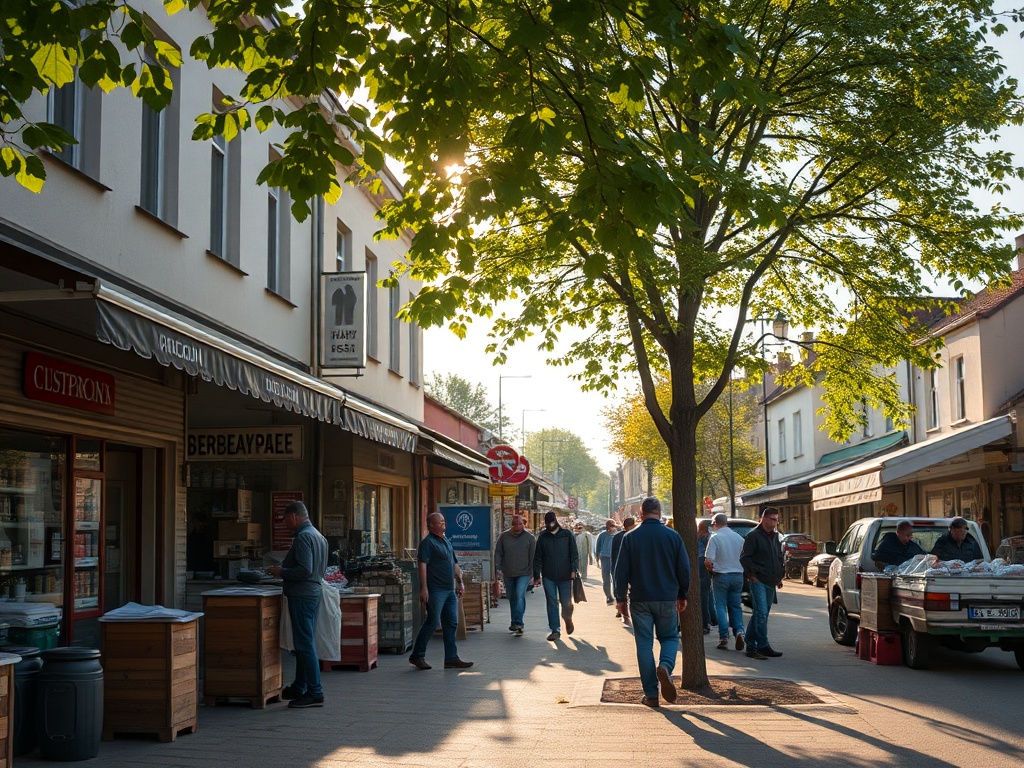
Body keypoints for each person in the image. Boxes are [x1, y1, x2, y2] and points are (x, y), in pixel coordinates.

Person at [613, 497, 689, 708]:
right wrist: (683, 594)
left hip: (640, 599)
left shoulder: (630, 537)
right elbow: (684, 568)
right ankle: (665, 666)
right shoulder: (673, 536)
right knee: (670, 637)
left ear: (641, 512)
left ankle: (651, 694)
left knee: (644, 645)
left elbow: (621, 571)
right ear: (659, 511)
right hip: (666, 597)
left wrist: (620, 599)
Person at [267, 500, 328, 709]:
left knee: (304, 643)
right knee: (304, 642)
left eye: (285, 519)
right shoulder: (318, 536)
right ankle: (300, 686)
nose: (284, 524)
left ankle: (315, 691)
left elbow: (304, 570)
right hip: (312, 592)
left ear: (293, 516)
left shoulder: (303, 537)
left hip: (302, 594)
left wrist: (281, 572)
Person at [409, 512, 473, 670]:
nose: (443, 523)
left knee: (451, 623)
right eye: (440, 522)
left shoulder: (446, 540)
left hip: (449, 589)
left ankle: (451, 658)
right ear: (431, 526)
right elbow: (422, 567)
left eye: (444, 521)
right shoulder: (428, 543)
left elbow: (454, 564)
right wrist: (424, 589)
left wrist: (460, 582)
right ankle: (417, 655)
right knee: (432, 622)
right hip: (435, 590)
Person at [739, 506, 785, 661]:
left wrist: (779, 576)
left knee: (761, 613)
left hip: (771, 581)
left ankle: (751, 644)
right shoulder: (753, 536)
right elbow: (744, 558)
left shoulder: (775, 537)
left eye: (776, 519)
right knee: (761, 613)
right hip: (758, 580)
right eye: (772, 519)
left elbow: (778, 557)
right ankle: (762, 645)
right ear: (764, 519)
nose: (774, 522)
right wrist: (752, 575)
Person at [533, 511, 579, 641]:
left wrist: (573, 569)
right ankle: (555, 629)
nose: (550, 525)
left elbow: (574, 553)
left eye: (551, 522)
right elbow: (538, 557)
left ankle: (567, 618)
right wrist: (537, 575)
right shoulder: (543, 537)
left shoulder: (567, 535)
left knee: (566, 602)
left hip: (565, 575)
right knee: (552, 602)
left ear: (556, 520)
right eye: (547, 523)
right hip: (548, 575)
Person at [705, 513, 745, 652]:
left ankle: (724, 637)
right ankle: (739, 631)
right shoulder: (739, 538)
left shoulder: (715, 537)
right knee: (735, 606)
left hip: (721, 575)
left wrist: (711, 570)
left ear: (715, 523)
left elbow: (708, 560)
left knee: (720, 607)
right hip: (738, 575)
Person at [494, 514, 537, 636]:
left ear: (524, 524)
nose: (517, 526)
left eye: (520, 524)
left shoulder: (529, 538)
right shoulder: (504, 537)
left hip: (524, 572)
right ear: (511, 524)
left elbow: (534, 556)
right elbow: (498, 553)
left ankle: (519, 622)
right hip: (508, 572)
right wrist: (498, 568)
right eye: (515, 524)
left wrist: (534, 574)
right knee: (511, 597)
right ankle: (514, 622)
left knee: (519, 595)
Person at [611, 517, 635, 621]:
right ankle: (625, 609)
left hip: (618, 566)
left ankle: (621, 609)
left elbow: (613, 554)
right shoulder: (634, 536)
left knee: (619, 588)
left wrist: (613, 569)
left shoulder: (617, 537)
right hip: (632, 568)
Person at [696, 520, 716, 633]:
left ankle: (710, 620)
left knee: (705, 596)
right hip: (704, 567)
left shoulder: (696, 537)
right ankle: (706, 623)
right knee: (705, 596)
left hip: (696, 567)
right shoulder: (708, 538)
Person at [595, 519, 618, 605]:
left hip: (615, 558)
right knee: (606, 578)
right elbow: (598, 547)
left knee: (615, 577)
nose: (613, 528)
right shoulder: (602, 535)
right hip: (605, 558)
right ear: (607, 526)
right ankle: (608, 596)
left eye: (614, 526)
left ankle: (617, 595)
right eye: (612, 526)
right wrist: (597, 559)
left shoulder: (617, 535)